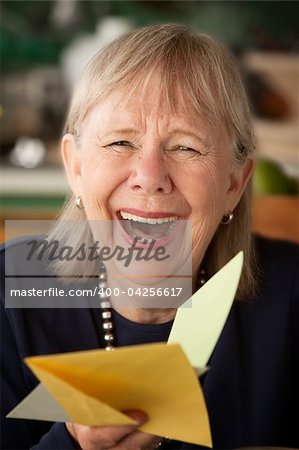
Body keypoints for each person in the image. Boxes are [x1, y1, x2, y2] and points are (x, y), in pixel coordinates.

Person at [1, 24, 298, 450]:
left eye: (185, 147)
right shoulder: (11, 290)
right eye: (121, 141)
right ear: (76, 168)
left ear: (235, 181)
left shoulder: (290, 294)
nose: (150, 177)